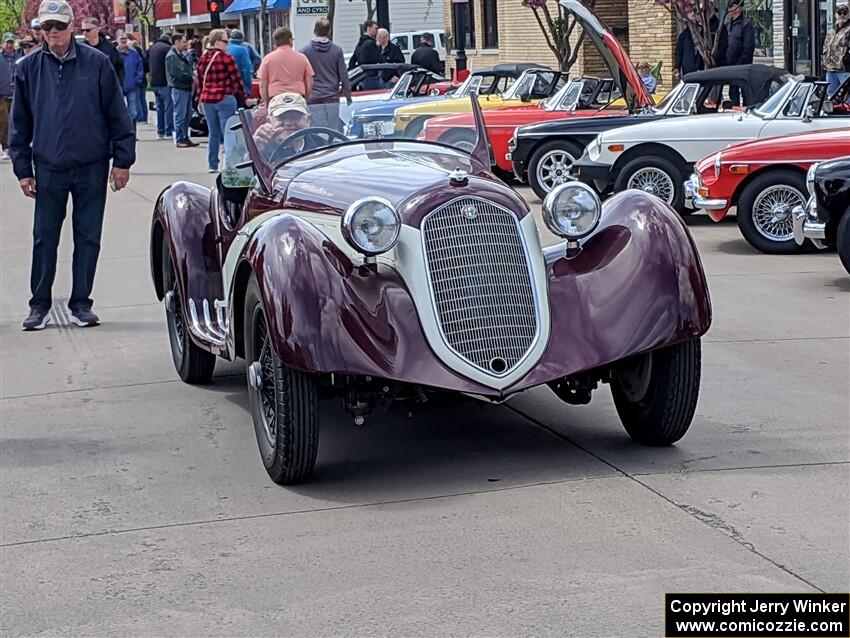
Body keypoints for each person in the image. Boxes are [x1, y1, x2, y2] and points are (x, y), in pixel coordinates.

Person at [10, 0, 135, 330]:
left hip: (91, 164)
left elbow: (117, 115)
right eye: (46, 27)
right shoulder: (27, 68)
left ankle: (81, 303)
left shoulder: (98, 64)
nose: (52, 33)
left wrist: (122, 161)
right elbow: (19, 125)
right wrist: (23, 169)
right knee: (44, 237)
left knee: (88, 236)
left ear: (71, 27)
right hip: (48, 167)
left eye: (58, 26)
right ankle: (39, 305)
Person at [197, 29, 246, 173]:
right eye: (225, 41)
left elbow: (200, 82)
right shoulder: (227, 58)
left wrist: (200, 98)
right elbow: (236, 80)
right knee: (229, 132)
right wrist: (242, 96)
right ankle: (229, 164)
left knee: (213, 133)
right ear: (217, 42)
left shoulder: (203, 59)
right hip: (225, 98)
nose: (227, 44)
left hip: (207, 100)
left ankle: (212, 164)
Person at [299, 17, 351, 131]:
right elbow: (343, 74)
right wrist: (348, 96)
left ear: (314, 30)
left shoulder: (304, 51)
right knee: (332, 128)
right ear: (329, 32)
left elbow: (300, 75)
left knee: (318, 128)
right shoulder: (337, 50)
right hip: (331, 95)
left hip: (313, 96)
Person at [258, 27, 314, 102]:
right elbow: (310, 82)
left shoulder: (267, 59)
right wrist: (305, 98)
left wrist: (266, 103)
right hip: (298, 97)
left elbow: (262, 85)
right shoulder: (302, 58)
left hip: (275, 98)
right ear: (290, 40)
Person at [166, 33, 197, 148]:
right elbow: (177, 73)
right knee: (180, 114)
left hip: (186, 88)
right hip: (179, 88)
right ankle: (179, 139)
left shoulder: (180, 55)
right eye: (184, 42)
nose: (186, 44)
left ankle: (185, 137)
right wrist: (191, 78)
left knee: (187, 115)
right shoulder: (172, 56)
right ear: (176, 42)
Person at [724, 0, 754, 104]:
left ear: (738, 7)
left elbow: (748, 48)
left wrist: (741, 63)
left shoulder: (746, 25)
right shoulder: (728, 25)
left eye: (732, 6)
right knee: (733, 93)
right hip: (730, 67)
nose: (730, 9)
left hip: (742, 67)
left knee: (746, 92)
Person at [81, 17, 123, 83]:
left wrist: (117, 85)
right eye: (82, 30)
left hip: (107, 87)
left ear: (97, 29)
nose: (84, 33)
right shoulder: (81, 49)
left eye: (88, 30)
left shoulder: (109, 47)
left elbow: (118, 67)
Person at [1, 33, 23, 161]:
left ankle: (16, 146)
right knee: (3, 123)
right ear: (2, 43)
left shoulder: (19, 56)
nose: (9, 45)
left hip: (17, 94)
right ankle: (5, 147)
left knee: (16, 122)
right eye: (7, 42)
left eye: (11, 42)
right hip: (2, 95)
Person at [117, 32, 144, 131]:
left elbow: (140, 67)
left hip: (132, 86)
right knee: (119, 111)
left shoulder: (133, 53)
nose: (123, 40)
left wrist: (137, 80)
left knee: (133, 112)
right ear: (117, 40)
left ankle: (132, 132)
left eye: (125, 38)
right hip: (118, 86)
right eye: (121, 38)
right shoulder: (114, 53)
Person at [148, 32, 173, 140]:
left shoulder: (153, 48)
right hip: (164, 81)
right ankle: (168, 131)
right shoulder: (168, 48)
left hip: (154, 81)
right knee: (168, 106)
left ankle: (160, 131)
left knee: (159, 107)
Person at [823, 1, 850, 96]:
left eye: (845, 13)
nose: (842, 15)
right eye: (840, 13)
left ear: (848, 15)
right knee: (831, 96)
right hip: (830, 69)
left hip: (844, 70)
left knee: (846, 97)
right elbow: (825, 47)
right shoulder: (831, 31)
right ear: (835, 15)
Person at [227, 29, 253, 94]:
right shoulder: (242, 50)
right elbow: (246, 71)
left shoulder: (224, 49)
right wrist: (248, 89)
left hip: (225, 88)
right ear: (242, 40)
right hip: (238, 88)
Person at [131, 38, 149, 124]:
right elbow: (146, 68)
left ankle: (140, 118)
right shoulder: (142, 55)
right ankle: (145, 117)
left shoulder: (133, 56)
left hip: (137, 81)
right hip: (143, 80)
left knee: (137, 100)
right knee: (143, 99)